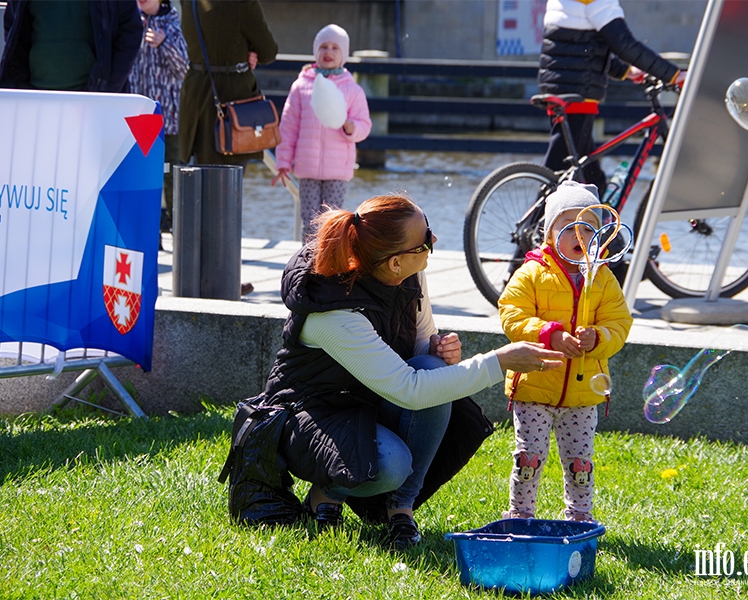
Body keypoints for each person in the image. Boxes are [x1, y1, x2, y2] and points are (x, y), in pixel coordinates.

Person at [256, 194, 563, 549]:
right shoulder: (331, 310)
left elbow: (418, 352)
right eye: (426, 239)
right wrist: (501, 361)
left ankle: (400, 509)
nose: (433, 242)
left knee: (432, 367)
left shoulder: (408, 274)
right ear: (396, 262)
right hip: (312, 415)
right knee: (389, 464)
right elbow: (409, 390)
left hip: (366, 402)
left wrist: (435, 350)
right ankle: (327, 491)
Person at [497, 181, 633, 522]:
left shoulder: (603, 279)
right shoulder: (531, 272)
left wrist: (599, 337)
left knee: (580, 461)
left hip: (583, 393)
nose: (579, 236)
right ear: (548, 232)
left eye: (588, 228)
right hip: (534, 387)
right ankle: (521, 514)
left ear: (601, 234)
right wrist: (549, 333)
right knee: (529, 456)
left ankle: (579, 515)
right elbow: (512, 314)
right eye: (568, 227)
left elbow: (620, 323)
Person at [179, 0, 278, 296]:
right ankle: (220, 282)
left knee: (193, 193)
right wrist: (245, 54)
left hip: (195, 100)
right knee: (223, 198)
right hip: (227, 107)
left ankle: (192, 277)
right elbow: (269, 50)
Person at [539, 0, 685, 191]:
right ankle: (533, 222)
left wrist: (625, 71)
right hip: (578, 93)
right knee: (558, 176)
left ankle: (600, 218)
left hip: (562, 87)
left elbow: (580, 45)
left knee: (592, 179)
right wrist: (674, 75)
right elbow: (623, 43)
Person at [271, 24, 372, 239]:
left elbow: (365, 125)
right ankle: (308, 265)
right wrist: (283, 162)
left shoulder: (351, 89)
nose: (328, 52)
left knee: (333, 221)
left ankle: (329, 266)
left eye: (335, 48)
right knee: (309, 221)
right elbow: (288, 127)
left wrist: (352, 128)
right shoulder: (302, 86)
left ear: (343, 54)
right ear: (316, 51)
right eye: (324, 47)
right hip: (307, 167)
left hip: (337, 169)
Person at [178, 0, 278, 168]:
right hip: (230, 101)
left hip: (194, 96)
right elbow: (268, 52)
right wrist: (248, 51)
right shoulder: (241, 3)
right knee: (225, 185)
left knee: (194, 182)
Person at [128, 0, 189, 243]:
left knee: (172, 178)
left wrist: (164, 44)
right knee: (142, 178)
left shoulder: (173, 24)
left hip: (169, 120)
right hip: (138, 117)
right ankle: (148, 235)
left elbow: (185, 68)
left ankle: (179, 236)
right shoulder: (130, 21)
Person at [0, 0, 143, 92]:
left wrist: (107, 88)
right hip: (35, 100)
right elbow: (13, 29)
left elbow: (130, 32)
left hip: (94, 103)